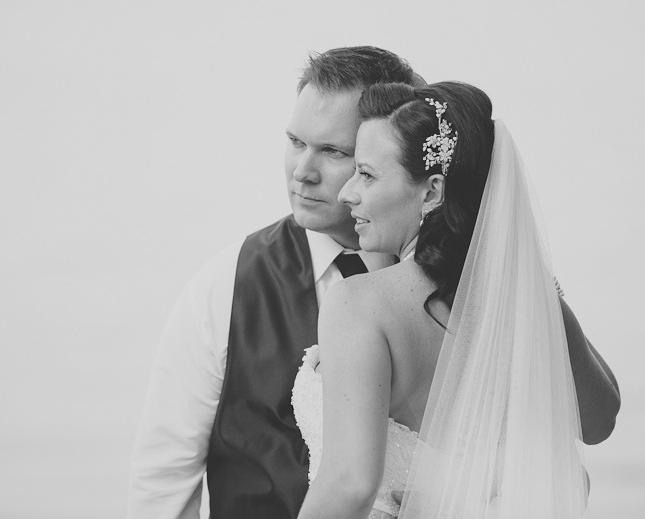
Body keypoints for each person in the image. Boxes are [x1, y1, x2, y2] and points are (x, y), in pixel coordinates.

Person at [127, 48, 619, 519]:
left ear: (426, 179)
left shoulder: (371, 301)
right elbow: (163, 474)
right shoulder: (226, 283)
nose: (308, 174)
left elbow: (350, 484)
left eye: (344, 157)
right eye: (296, 142)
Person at [292, 81, 621, 519]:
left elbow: (349, 483)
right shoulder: (520, 302)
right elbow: (599, 423)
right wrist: (542, 298)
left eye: (367, 174)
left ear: (431, 192)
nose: (347, 193)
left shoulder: (359, 305)